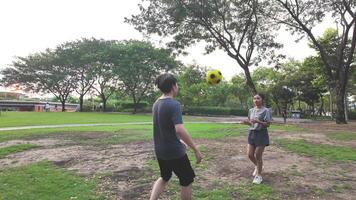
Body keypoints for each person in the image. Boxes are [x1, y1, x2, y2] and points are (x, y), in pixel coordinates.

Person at [150, 73, 202, 200]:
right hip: (174, 152)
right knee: (187, 180)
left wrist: (178, 140)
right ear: (173, 86)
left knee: (165, 176)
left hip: (160, 151)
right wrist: (195, 149)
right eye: (177, 84)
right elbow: (179, 129)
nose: (177, 87)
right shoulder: (174, 104)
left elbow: (164, 127)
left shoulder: (156, 103)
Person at [242, 93, 272, 184]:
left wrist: (258, 121)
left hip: (261, 134)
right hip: (252, 133)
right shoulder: (251, 110)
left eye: (258, 98)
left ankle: (259, 176)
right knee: (250, 155)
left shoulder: (266, 110)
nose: (255, 100)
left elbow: (268, 124)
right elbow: (251, 123)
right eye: (254, 98)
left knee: (258, 155)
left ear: (262, 99)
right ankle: (257, 166)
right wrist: (246, 123)